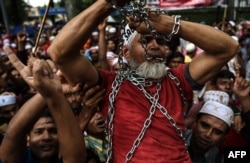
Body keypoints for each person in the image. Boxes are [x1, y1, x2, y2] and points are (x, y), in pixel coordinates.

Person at [6, 0, 239, 162]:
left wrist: (169, 25)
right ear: (126, 53)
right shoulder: (109, 84)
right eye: (146, 41)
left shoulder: (177, 80)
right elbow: (60, 52)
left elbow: (228, 47)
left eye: (162, 41)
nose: (157, 46)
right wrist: (108, 2)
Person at [0, 55, 86, 162]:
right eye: (38, 132)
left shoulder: (66, 159)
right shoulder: (18, 159)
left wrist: (54, 92)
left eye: (53, 131)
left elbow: (76, 157)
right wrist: (48, 92)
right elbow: (14, 132)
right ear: (28, 138)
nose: (46, 137)